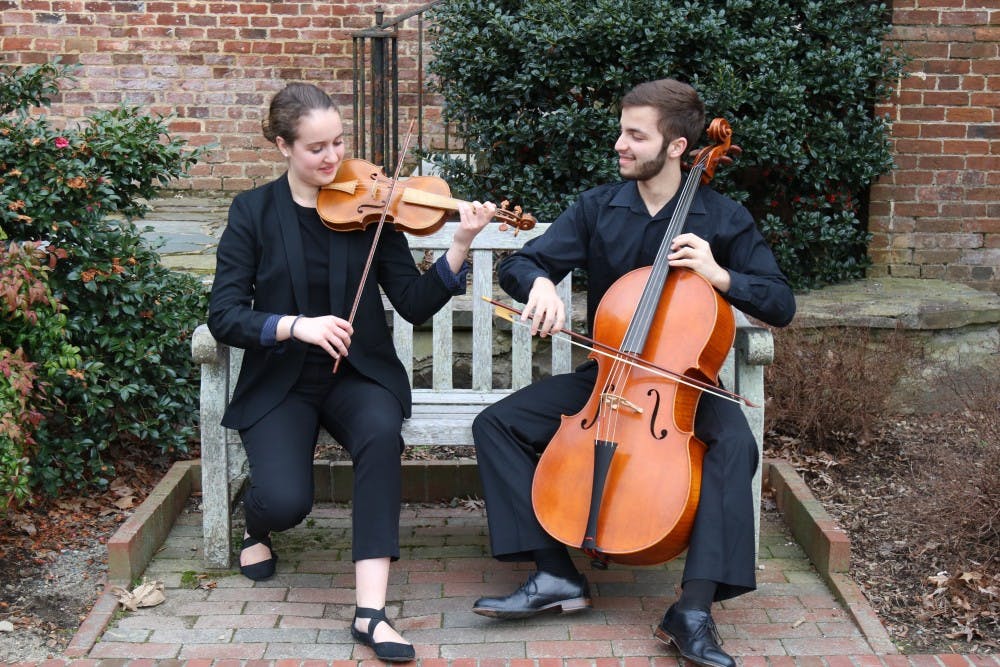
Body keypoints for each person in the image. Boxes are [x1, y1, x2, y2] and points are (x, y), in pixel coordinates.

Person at [470, 78, 796, 667]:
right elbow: (524, 263)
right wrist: (539, 282)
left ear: (676, 147)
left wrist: (722, 277)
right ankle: (553, 573)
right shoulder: (598, 208)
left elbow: (780, 302)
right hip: (609, 377)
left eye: (634, 135)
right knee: (497, 425)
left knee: (735, 445)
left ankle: (692, 610)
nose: (619, 144)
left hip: (682, 386)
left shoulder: (721, 218)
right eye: (621, 130)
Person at [208, 82, 495, 663]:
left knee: (380, 436)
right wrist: (296, 325)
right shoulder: (253, 212)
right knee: (287, 502)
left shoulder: (372, 209)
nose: (333, 158)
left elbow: (413, 303)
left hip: (358, 374)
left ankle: (371, 613)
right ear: (282, 146)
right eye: (316, 147)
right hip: (282, 376)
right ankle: (256, 526)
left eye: (339, 142)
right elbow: (225, 315)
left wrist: (460, 244)